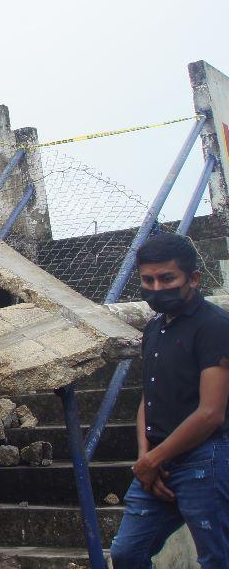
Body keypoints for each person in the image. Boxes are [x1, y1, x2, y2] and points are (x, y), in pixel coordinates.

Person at [108, 233, 229, 568]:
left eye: (167, 279)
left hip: (206, 459)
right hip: (159, 462)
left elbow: (211, 414)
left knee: (217, 557)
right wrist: (146, 456)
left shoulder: (215, 327)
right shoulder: (154, 329)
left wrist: (154, 459)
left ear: (193, 278)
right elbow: (150, 395)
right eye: (148, 280)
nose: (157, 288)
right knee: (127, 553)